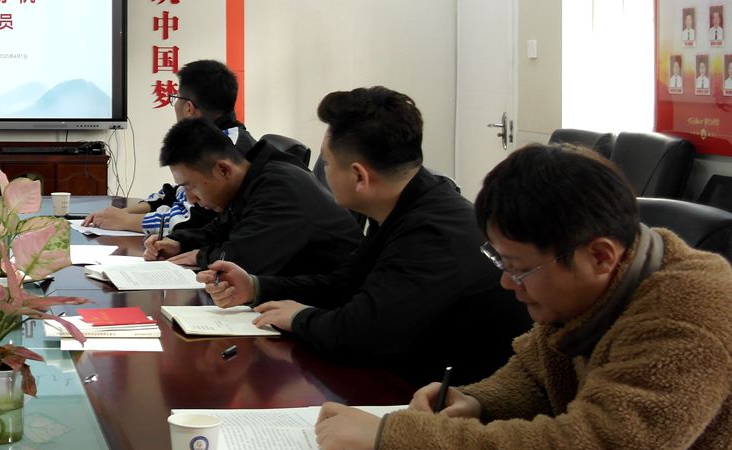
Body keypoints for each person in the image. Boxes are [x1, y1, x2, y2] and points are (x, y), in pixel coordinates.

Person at [315, 144, 732, 450]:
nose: (507, 282)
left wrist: (393, 440)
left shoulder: (688, 316)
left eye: (519, 268)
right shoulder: (600, 282)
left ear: (600, 256)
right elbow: (537, 373)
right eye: (501, 262)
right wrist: (477, 401)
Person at [197, 86, 530, 385]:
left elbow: (358, 335)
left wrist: (299, 318)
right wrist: (256, 286)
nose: (323, 173)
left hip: (454, 401)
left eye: (328, 163)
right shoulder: (412, 200)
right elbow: (344, 283)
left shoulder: (431, 235)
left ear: (359, 176)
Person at [151, 118, 360, 274]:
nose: (190, 198)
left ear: (223, 169)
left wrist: (199, 256)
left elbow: (244, 260)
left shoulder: (278, 189)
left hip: (332, 304)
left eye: (191, 187)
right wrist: (179, 242)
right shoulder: (251, 178)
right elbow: (222, 229)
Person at [83, 60, 254, 239]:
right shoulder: (206, 139)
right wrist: (123, 213)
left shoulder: (228, 149)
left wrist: (126, 221)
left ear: (189, 108)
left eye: (175, 98)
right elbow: (176, 193)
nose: (175, 105)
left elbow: (199, 221)